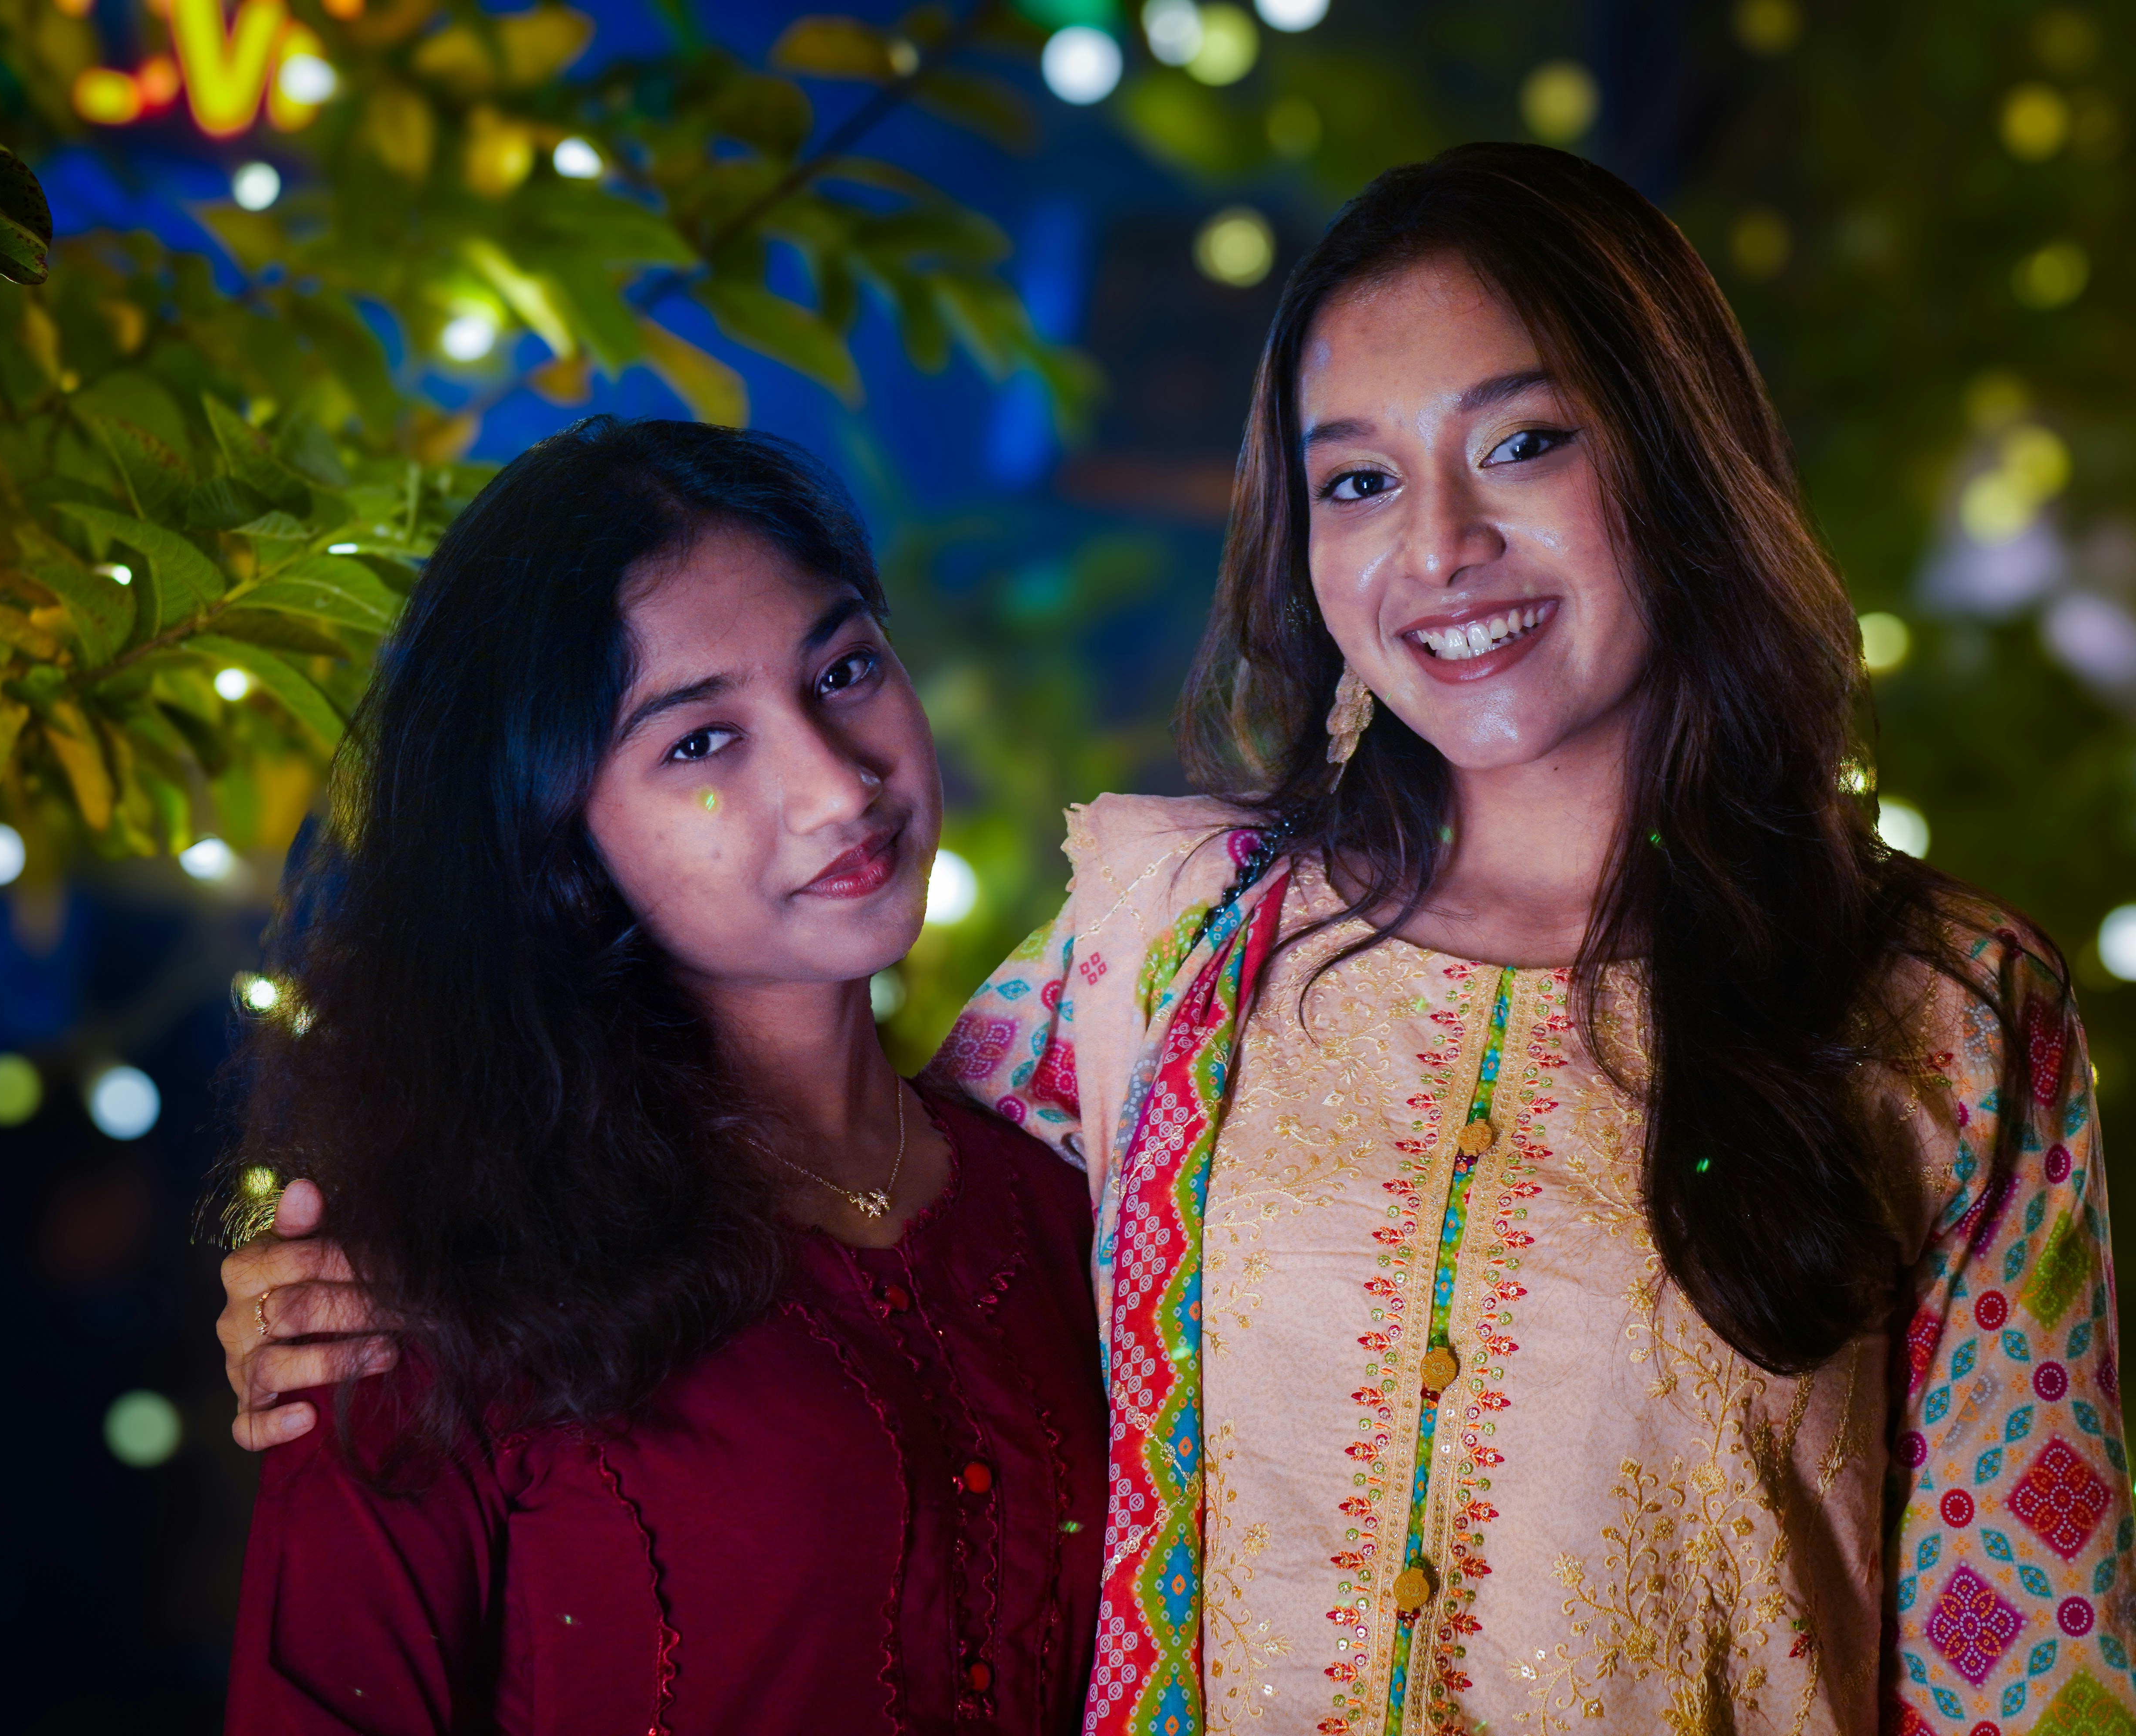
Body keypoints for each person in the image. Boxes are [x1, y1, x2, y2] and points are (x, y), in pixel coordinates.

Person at [220, 145, 2135, 1734]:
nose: (1439, 548)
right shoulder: (1168, 941)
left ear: (1677, 457)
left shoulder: (1943, 1014)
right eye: (1358, 480)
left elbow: (2030, 1667)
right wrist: (347, 1275)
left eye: (1526, 444)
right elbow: (840, 1202)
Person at [215, 416, 1107, 1735]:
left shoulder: (1070, 1200)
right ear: (558, 834)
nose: (836, 785)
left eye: (845, 669)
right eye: (699, 742)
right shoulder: (425, 1294)